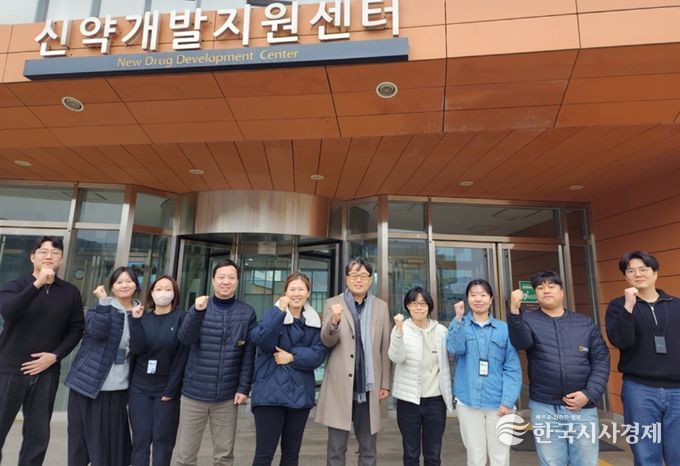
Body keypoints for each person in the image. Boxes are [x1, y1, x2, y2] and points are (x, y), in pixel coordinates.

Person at [507, 271, 609, 466]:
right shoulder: (528, 320)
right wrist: (514, 310)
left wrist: (589, 394)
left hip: (582, 408)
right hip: (545, 407)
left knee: (586, 462)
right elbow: (521, 342)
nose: (546, 290)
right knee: (552, 462)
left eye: (551, 286)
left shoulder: (584, 323)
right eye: (540, 287)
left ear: (562, 292)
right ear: (535, 294)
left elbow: (601, 360)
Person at [0, 236, 84, 466]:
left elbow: (76, 329)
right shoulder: (15, 286)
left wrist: (55, 356)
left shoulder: (70, 292)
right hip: (9, 370)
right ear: (32, 257)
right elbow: (9, 312)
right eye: (43, 251)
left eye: (55, 252)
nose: (49, 256)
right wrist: (37, 284)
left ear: (61, 259)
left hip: (46, 372)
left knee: (38, 437)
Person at [175, 259, 257, 466]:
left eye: (231, 277)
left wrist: (243, 388)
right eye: (221, 277)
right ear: (213, 281)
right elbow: (185, 338)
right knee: (185, 456)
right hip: (194, 394)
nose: (226, 281)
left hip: (227, 397)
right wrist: (197, 311)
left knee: (224, 456)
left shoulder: (247, 312)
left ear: (237, 281)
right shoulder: (200, 307)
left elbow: (248, 354)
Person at [605, 251, 680, 466]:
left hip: (678, 389)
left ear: (655, 273)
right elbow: (620, 340)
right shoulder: (618, 306)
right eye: (631, 271)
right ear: (625, 276)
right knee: (646, 454)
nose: (637, 274)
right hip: (639, 389)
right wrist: (629, 307)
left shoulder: (676, 305)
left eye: (643, 269)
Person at [315, 257, 392, 466]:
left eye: (364, 276)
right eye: (355, 275)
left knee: (368, 449)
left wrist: (385, 383)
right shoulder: (333, 304)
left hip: (369, 387)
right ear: (347, 278)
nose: (359, 280)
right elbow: (327, 341)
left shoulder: (380, 306)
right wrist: (334, 321)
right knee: (336, 449)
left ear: (371, 279)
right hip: (339, 386)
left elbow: (384, 348)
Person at [65, 266, 143, 466]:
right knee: (81, 441)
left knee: (110, 443)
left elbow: (139, 348)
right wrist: (104, 303)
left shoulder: (140, 312)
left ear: (136, 285)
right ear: (112, 286)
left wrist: (137, 319)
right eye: (119, 282)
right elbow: (97, 332)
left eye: (129, 281)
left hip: (118, 386)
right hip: (89, 384)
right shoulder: (100, 306)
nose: (124, 285)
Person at [249, 272, 327, 466]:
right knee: (264, 455)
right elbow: (260, 339)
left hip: (300, 395)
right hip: (269, 395)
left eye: (301, 289)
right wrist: (279, 312)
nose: (296, 293)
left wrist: (291, 356)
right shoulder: (273, 315)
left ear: (308, 293)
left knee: (291, 455)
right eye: (292, 289)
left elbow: (318, 355)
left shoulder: (315, 323)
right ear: (285, 292)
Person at [447, 279, 521, 466]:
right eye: (473, 295)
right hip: (468, 402)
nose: (478, 299)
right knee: (475, 456)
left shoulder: (504, 329)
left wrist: (507, 401)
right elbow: (454, 349)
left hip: (499, 403)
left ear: (491, 298)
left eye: (483, 295)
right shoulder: (460, 324)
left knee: (500, 457)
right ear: (467, 298)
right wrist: (458, 319)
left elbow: (512, 367)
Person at [389, 286, 453, 466]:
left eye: (423, 303)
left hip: (436, 400)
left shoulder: (441, 331)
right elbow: (396, 357)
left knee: (433, 454)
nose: (419, 307)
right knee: (411, 453)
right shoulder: (401, 329)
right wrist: (398, 332)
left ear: (429, 306)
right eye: (414, 303)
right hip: (409, 401)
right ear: (408, 306)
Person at [129, 275, 188, 466]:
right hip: (140, 387)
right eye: (159, 289)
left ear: (175, 294)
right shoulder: (143, 317)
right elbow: (136, 349)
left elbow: (182, 357)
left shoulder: (182, 318)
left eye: (168, 289)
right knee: (140, 439)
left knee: (163, 441)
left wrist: (172, 389)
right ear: (152, 293)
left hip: (167, 388)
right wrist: (135, 321)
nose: (163, 293)